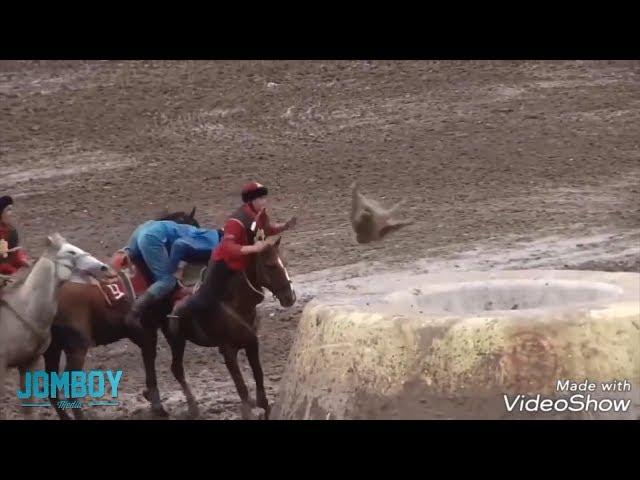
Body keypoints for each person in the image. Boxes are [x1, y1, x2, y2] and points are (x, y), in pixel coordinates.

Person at [169, 182, 296, 331]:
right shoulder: (236, 221)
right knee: (205, 298)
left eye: (264, 197)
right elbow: (228, 247)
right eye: (261, 198)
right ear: (251, 200)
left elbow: (266, 229)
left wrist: (284, 226)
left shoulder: (260, 214)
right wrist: (253, 248)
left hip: (245, 260)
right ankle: (180, 308)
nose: (264, 201)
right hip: (224, 262)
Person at [123, 219, 223, 329]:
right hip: (152, 237)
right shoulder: (212, 243)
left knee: (127, 255)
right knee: (167, 280)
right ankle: (134, 312)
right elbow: (180, 245)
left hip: (143, 229)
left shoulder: (201, 233)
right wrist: (174, 268)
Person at [0, 195, 31, 276]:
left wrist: (23, 260)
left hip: (9, 266)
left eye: (11, 209)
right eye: (8, 210)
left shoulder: (11, 231)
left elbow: (14, 254)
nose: (11, 213)